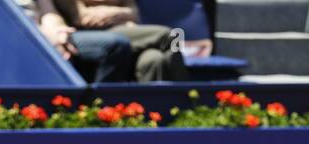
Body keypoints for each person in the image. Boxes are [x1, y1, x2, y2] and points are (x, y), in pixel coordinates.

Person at [40, 0, 189, 82]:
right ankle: (187, 99)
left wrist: (110, 13)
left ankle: (151, 121)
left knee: (153, 59)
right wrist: (122, 14)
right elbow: (83, 17)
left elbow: (134, 13)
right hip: (93, 34)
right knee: (169, 36)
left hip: (127, 30)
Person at [16, 0, 135, 82]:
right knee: (115, 45)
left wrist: (59, 30)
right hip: (22, 38)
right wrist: (44, 35)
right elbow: (82, 17)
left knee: (151, 58)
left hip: (49, 35)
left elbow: (50, 13)